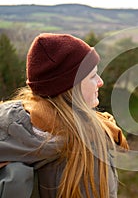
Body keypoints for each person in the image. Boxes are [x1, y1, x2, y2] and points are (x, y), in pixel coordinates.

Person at [0, 33, 129, 198]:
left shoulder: (6, 126)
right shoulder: (90, 148)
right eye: (92, 76)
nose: (100, 81)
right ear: (70, 88)